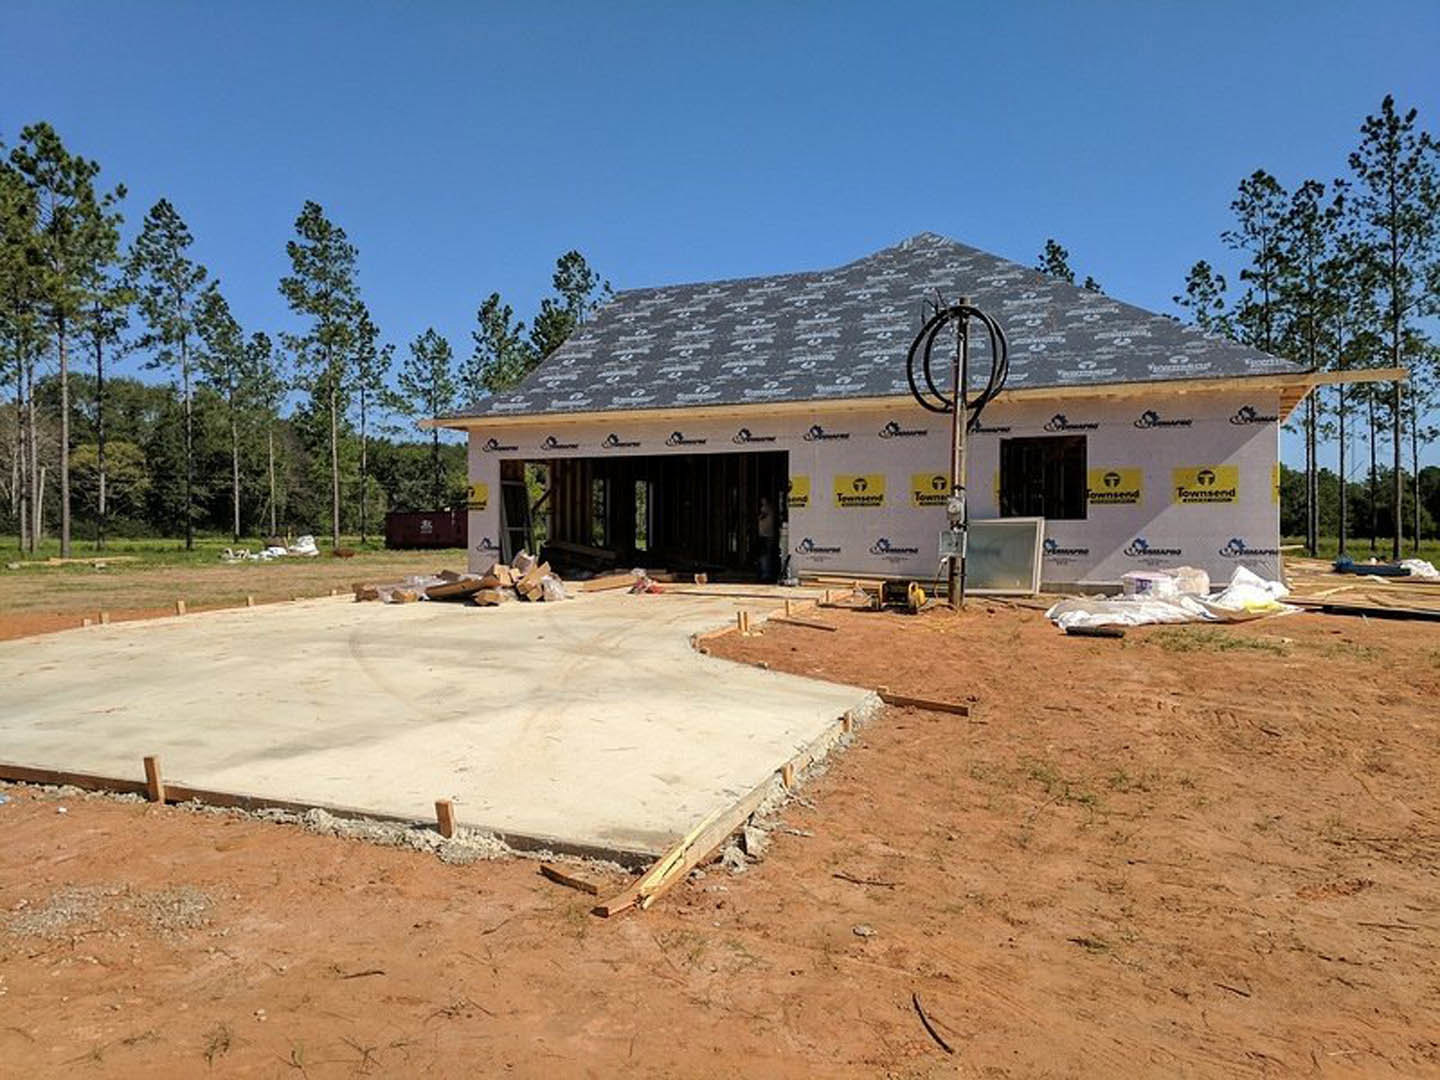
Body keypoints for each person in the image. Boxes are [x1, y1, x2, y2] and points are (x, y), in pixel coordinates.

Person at [757, 495, 777, 582]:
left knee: (765, 555)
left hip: (766, 535)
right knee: (766, 554)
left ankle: (766, 574)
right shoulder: (769, 509)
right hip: (766, 534)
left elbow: (761, 517)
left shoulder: (766, 509)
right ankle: (765, 573)